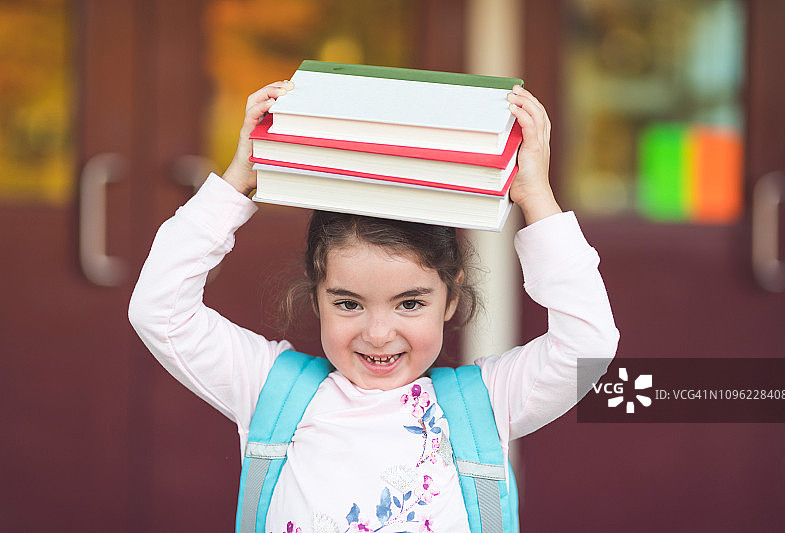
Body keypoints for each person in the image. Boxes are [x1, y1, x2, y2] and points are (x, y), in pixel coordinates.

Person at [129, 79, 619, 532]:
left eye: (409, 303)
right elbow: (159, 309)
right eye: (348, 303)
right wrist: (235, 184)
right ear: (316, 296)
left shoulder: (488, 405)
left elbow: (588, 345)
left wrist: (535, 198)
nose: (378, 333)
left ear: (451, 296)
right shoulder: (269, 390)